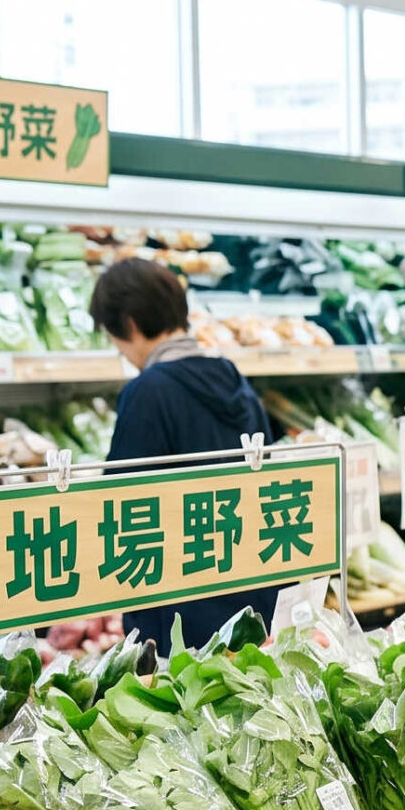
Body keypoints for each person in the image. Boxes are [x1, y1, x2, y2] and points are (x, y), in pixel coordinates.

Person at [93, 258, 278, 655]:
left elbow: (119, 504)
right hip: (250, 601)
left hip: (177, 619)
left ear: (130, 324)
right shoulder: (233, 379)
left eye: (116, 341)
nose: (124, 354)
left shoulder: (149, 391)